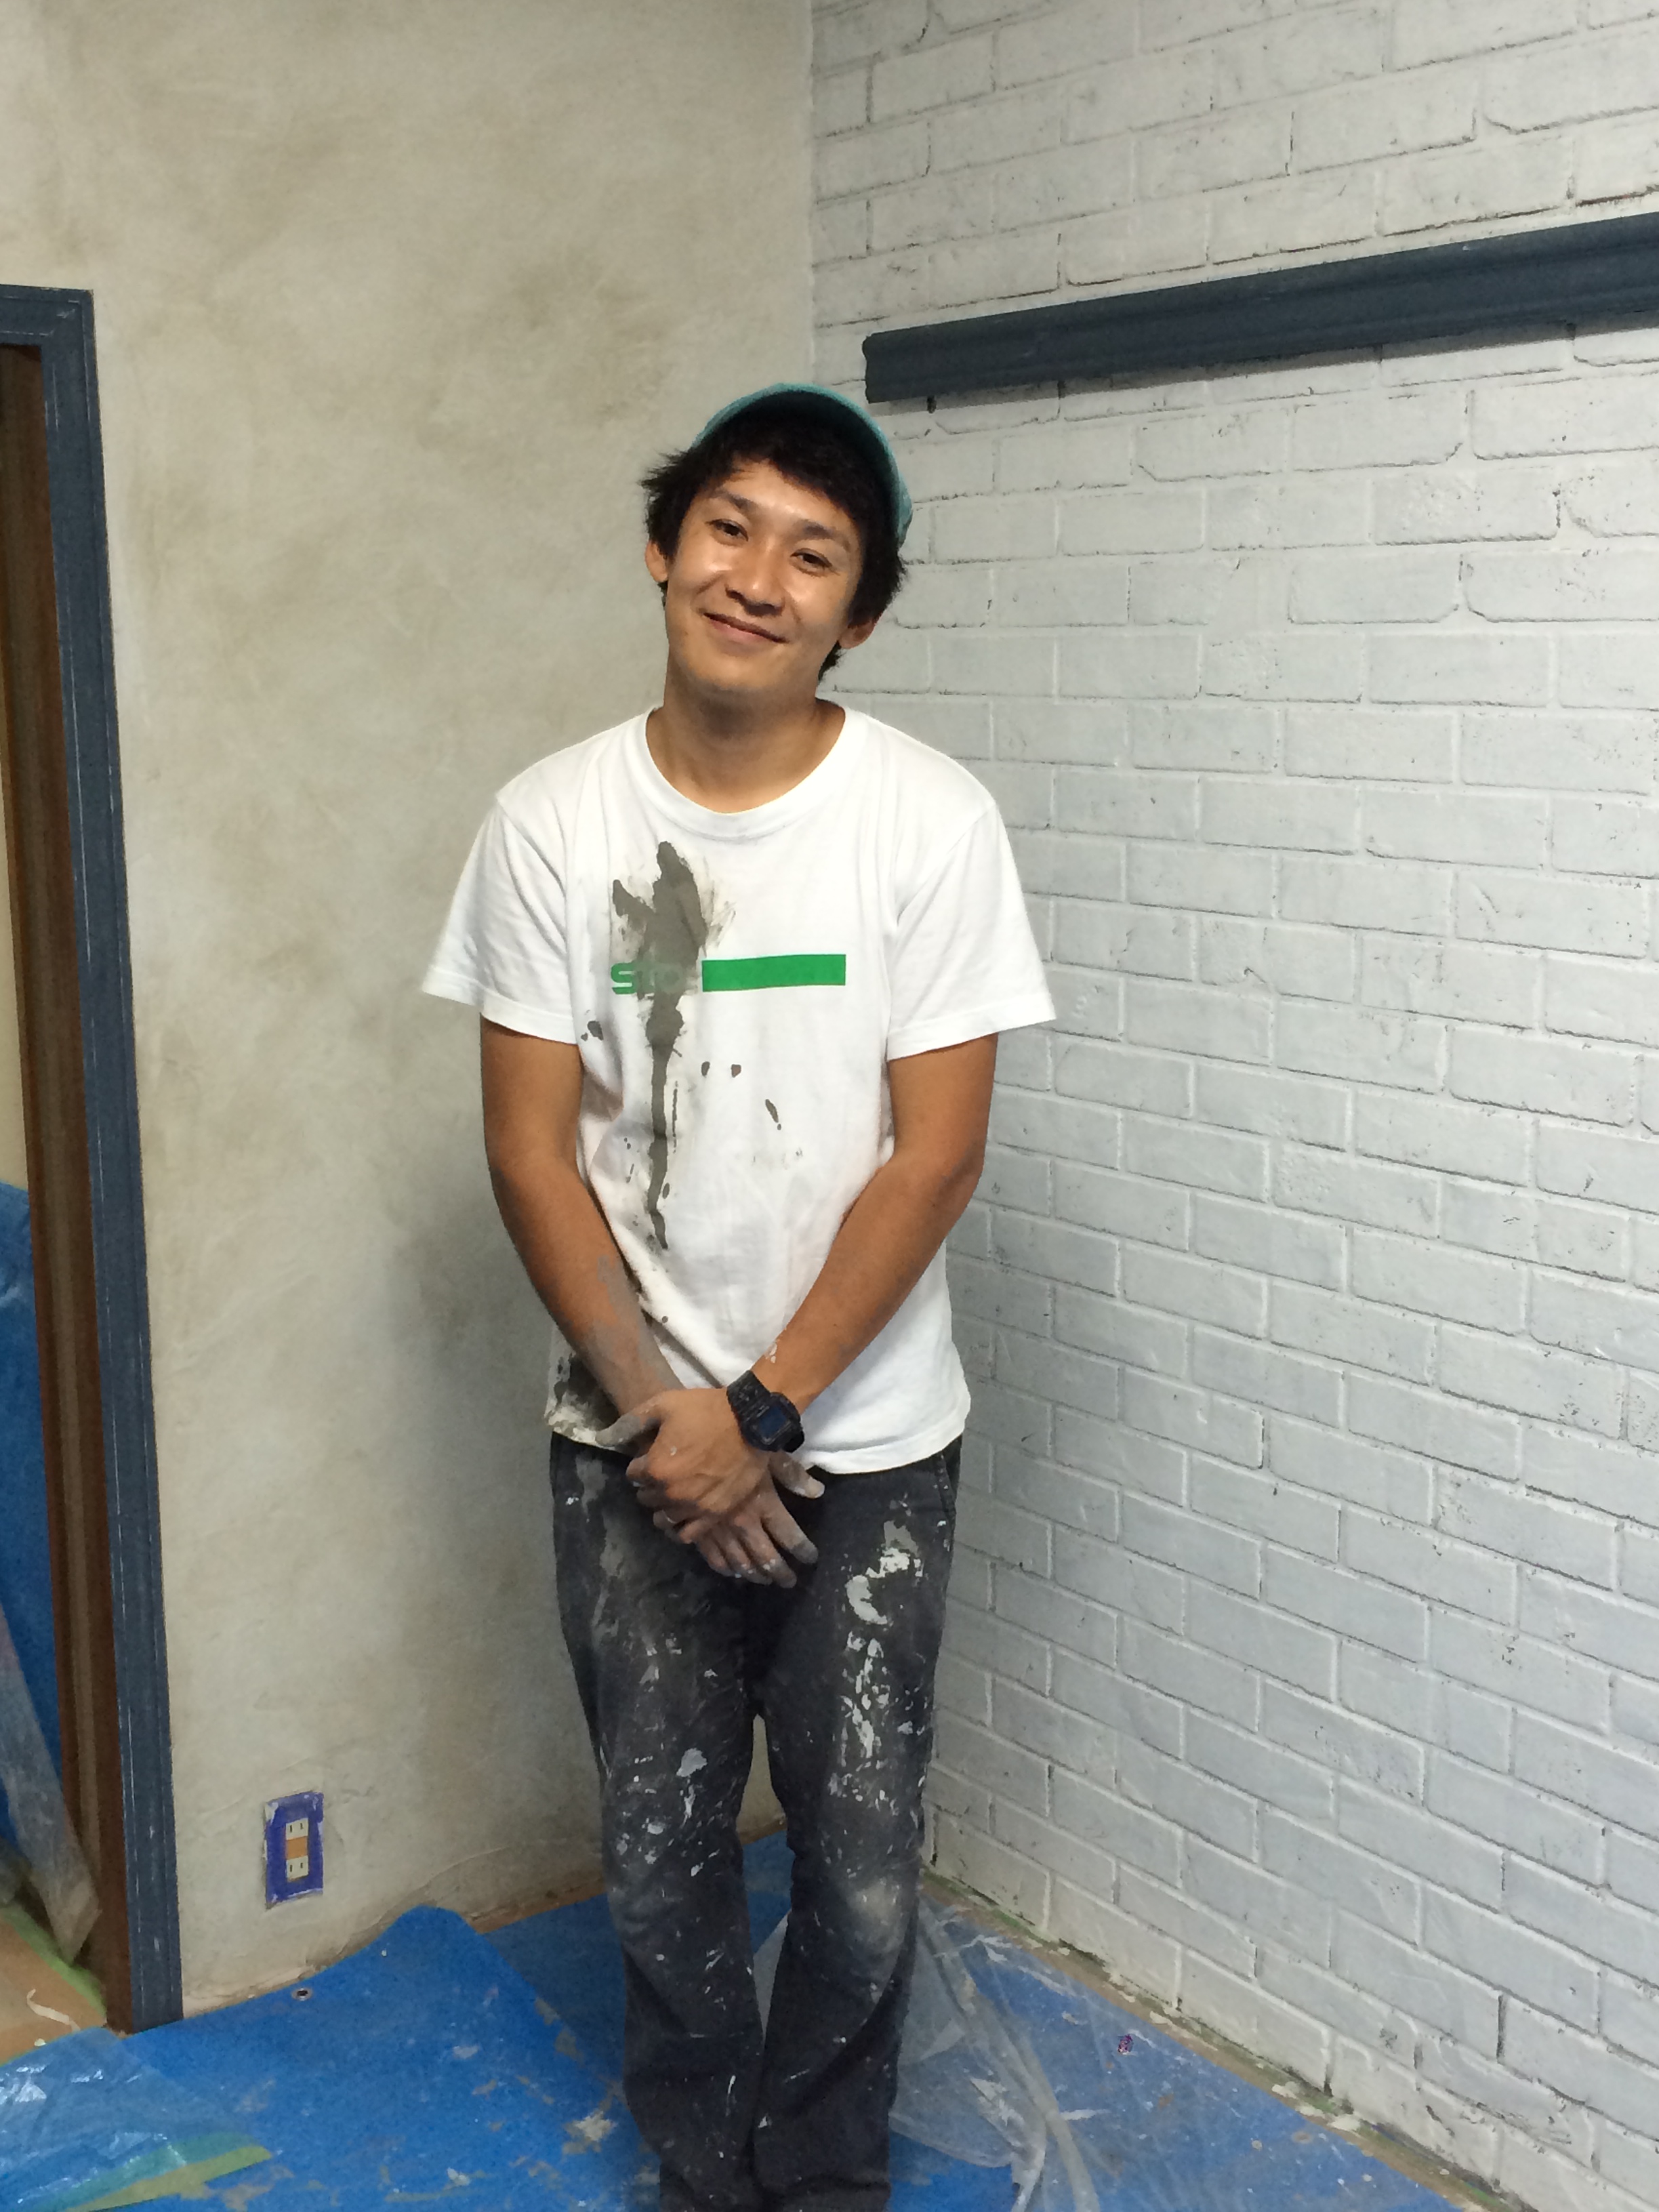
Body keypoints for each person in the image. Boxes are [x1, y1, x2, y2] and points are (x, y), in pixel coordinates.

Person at [424, 384, 1052, 2212]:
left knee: (858, 1863)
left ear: (860, 613)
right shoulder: (552, 822)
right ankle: (705, 2175)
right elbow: (531, 1151)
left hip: (864, 1438)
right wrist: (669, 1421)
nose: (757, 577)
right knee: (662, 1861)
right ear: (663, 546)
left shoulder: (927, 821)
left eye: (813, 554)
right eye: (729, 526)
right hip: (632, 1433)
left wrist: (763, 1413)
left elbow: (936, 1154)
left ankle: (827, 2179)